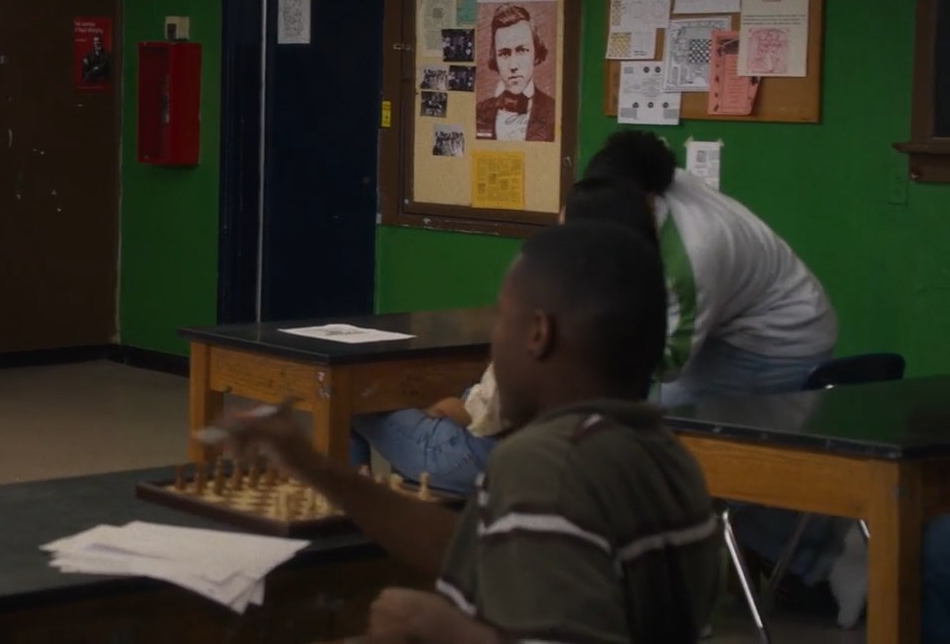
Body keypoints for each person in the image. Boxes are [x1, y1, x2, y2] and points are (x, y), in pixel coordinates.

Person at [222, 223, 722, 643]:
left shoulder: (547, 463)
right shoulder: (663, 453)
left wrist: (438, 628)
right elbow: (482, 552)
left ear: (538, 334)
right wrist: (313, 465)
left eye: (502, 318)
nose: (492, 343)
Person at [348, 176, 657, 496]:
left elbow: (491, 415)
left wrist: (453, 407)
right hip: (575, 457)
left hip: (482, 455)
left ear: (539, 331)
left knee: (352, 400)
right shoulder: (642, 296)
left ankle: (345, 514)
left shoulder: (554, 297)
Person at [582, 130, 836, 406]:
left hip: (778, 338)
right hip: (734, 319)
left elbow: (668, 363)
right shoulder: (661, 181)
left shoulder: (691, 256)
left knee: (669, 418)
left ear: (649, 199)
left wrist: (583, 346)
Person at [473, 4, 555, 142]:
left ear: (536, 54)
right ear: (495, 58)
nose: (513, 66)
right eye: (504, 54)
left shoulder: (554, 111)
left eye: (522, 51)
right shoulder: (478, 112)